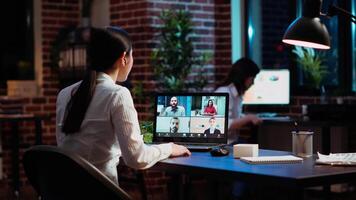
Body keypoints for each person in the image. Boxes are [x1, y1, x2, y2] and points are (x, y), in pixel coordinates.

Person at [56, 27, 191, 184]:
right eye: (132, 54)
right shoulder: (118, 94)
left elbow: (72, 144)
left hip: (63, 189)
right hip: (99, 191)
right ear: (124, 58)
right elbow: (136, 158)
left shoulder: (65, 94)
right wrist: (169, 148)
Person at [215, 57, 262, 144]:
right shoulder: (224, 92)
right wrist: (248, 118)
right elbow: (223, 125)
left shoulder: (237, 95)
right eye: (252, 79)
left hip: (232, 142)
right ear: (244, 77)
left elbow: (233, 117)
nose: (253, 83)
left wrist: (247, 117)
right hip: (224, 144)